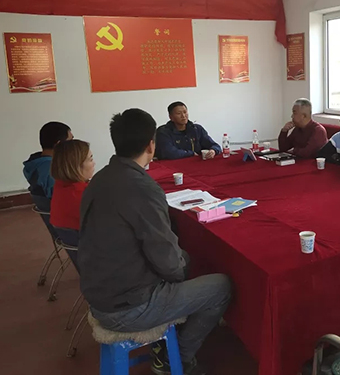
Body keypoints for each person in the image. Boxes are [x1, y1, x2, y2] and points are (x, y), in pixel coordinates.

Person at [79, 108, 231, 375]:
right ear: (151, 145)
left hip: (100, 293)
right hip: (129, 306)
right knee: (221, 285)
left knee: (185, 261)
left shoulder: (100, 178)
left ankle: (171, 339)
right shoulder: (142, 188)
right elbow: (168, 262)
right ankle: (178, 358)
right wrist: (181, 269)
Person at [50, 139, 95, 232]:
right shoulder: (82, 195)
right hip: (88, 237)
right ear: (76, 166)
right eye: (90, 159)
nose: (94, 163)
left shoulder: (60, 186)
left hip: (71, 237)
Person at [23, 121, 73, 201]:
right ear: (58, 145)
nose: (74, 145)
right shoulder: (50, 168)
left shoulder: (36, 162)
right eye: (70, 141)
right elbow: (62, 198)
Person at [155, 102, 221, 160]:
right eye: (179, 113)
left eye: (185, 112)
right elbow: (169, 153)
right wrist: (191, 153)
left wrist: (213, 151)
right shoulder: (163, 132)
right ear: (171, 117)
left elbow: (215, 145)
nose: (183, 116)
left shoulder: (196, 129)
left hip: (195, 164)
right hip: (172, 166)